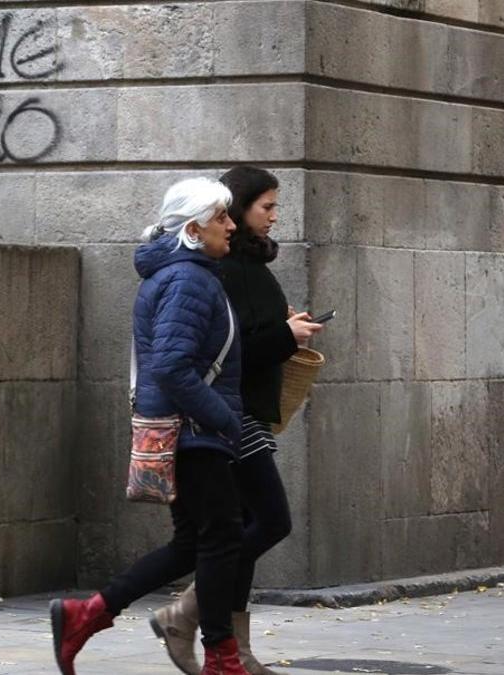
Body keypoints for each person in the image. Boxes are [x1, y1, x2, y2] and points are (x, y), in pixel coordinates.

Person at [49, 177, 250, 675]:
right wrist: (226, 421)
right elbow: (173, 365)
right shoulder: (188, 279)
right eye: (221, 217)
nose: (231, 225)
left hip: (188, 430)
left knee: (193, 543)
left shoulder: (186, 273)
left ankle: (87, 614)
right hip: (195, 433)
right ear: (194, 228)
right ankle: (222, 657)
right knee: (223, 539)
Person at [149, 166, 323, 675]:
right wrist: (285, 334)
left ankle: (232, 649)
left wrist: (283, 324)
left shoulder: (247, 261)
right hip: (230, 413)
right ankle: (186, 612)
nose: (274, 215)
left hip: (242, 411)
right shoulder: (221, 268)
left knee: (245, 526)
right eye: (265, 206)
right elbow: (225, 352)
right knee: (268, 521)